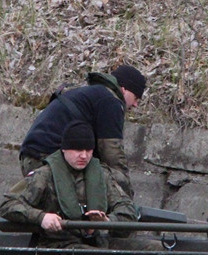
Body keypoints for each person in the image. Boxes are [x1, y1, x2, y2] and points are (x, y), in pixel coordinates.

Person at [0, 121, 138, 249]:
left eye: (88, 150)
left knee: (148, 249)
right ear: (64, 149)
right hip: (59, 245)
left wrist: (107, 221)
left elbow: (127, 209)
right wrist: (41, 217)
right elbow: (8, 205)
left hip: (99, 241)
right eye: (78, 150)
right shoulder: (44, 175)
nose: (84, 156)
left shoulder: (102, 175)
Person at [18, 64, 146, 197]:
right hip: (49, 160)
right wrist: (126, 191)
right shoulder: (111, 101)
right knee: (104, 185)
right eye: (136, 98)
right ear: (124, 89)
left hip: (30, 155)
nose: (135, 104)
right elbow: (111, 152)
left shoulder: (90, 94)